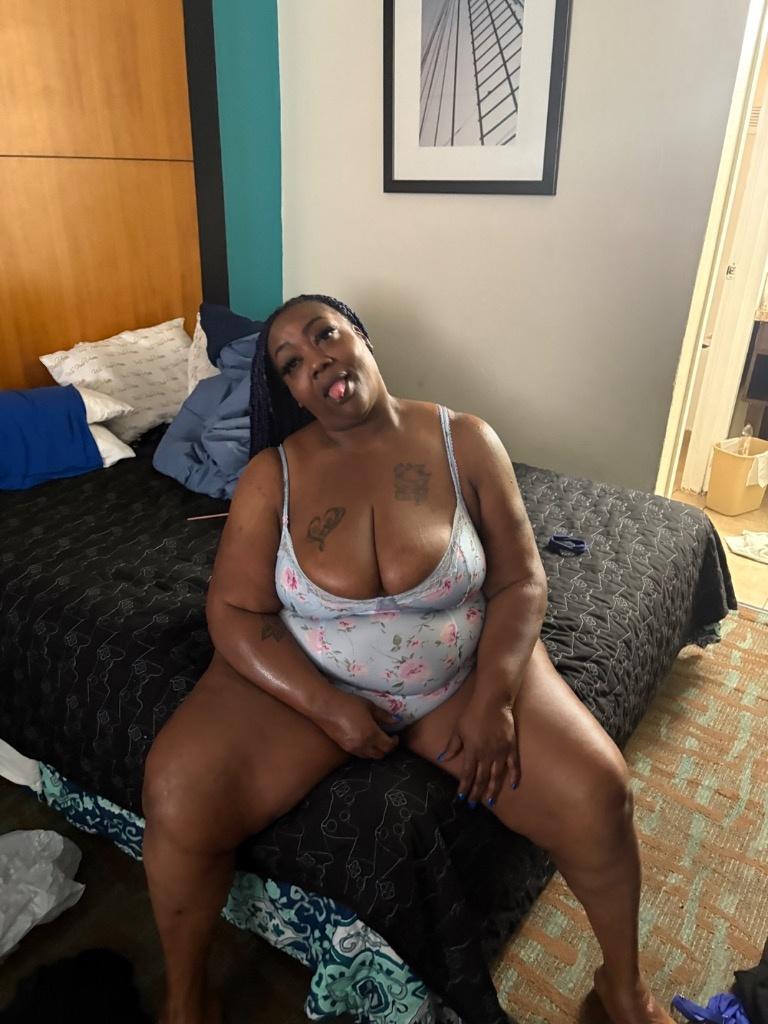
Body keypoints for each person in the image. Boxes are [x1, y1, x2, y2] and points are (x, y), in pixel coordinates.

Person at [142, 295, 675, 1024]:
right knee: (178, 792)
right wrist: (328, 707)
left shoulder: (465, 441)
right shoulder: (274, 475)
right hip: (313, 676)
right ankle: (185, 1002)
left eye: (326, 335)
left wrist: (495, 698)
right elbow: (233, 611)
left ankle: (623, 991)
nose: (316, 361)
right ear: (292, 391)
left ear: (360, 338)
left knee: (599, 791)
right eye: (291, 363)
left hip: (458, 677)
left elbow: (522, 581)